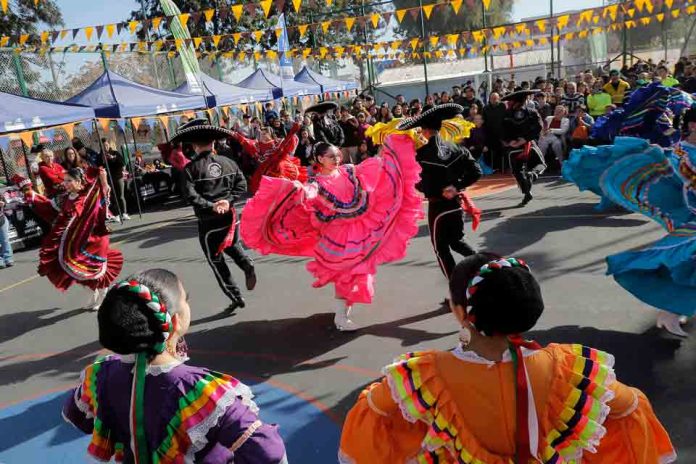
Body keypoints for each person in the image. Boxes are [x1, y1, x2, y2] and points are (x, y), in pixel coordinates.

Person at [339, 253, 676, 464]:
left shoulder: (424, 376)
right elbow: (630, 407)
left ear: (461, 313)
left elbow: (374, 415)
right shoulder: (570, 368)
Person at [63, 268, 288, 463]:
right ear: (174, 322)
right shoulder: (199, 390)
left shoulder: (100, 374)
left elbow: (77, 415)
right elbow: (268, 452)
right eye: (186, 299)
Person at [240, 135, 423, 331]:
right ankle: (341, 317)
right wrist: (299, 189)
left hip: (359, 228)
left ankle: (344, 311)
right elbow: (308, 192)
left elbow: (376, 166)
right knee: (346, 273)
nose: (336, 159)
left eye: (337, 155)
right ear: (319, 159)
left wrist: (391, 153)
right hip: (337, 235)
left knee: (358, 272)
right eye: (330, 156)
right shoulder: (316, 183)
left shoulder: (348, 171)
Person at [565, 107, 696, 336]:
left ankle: (672, 310)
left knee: (683, 263)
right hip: (687, 218)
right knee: (679, 261)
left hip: (687, 217)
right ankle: (671, 309)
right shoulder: (683, 154)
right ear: (693, 125)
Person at [177, 119, 257, 312]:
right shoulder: (228, 162)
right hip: (230, 217)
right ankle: (247, 263)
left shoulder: (190, 169)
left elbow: (191, 196)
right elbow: (242, 185)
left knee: (216, 260)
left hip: (209, 221)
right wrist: (227, 201)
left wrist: (212, 206)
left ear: (194, 145)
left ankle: (235, 296)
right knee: (231, 244)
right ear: (213, 142)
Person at [18, 168, 122, 309]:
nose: (65, 184)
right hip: (75, 242)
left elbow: (103, 196)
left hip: (93, 241)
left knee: (92, 271)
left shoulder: (88, 196)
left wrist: (103, 179)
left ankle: (102, 295)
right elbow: (50, 208)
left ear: (78, 181)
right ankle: (94, 294)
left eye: (69, 180)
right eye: (64, 180)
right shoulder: (65, 198)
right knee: (73, 270)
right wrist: (32, 194)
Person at [397, 104, 482, 279]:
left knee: (441, 248)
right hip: (456, 203)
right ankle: (483, 266)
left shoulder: (421, 155)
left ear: (425, 131)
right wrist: (456, 186)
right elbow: (476, 171)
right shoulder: (456, 147)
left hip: (438, 208)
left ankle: (455, 288)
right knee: (457, 241)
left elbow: (421, 185)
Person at [501, 90, 546, 207]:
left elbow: (501, 131)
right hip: (528, 145)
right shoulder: (531, 112)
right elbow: (539, 127)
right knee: (540, 165)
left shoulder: (506, 114)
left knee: (517, 172)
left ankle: (527, 193)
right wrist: (525, 139)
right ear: (525, 100)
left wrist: (510, 141)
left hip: (514, 147)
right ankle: (533, 176)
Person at [233, 122, 306, 193]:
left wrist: (293, 132)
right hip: (264, 170)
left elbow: (287, 144)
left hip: (278, 170)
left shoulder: (277, 143)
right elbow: (246, 141)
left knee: (281, 188)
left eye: (265, 134)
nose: (263, 135)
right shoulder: (257, 144)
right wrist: (234, 134)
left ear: (270, 134)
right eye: (261, 134)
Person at [102, 139, 130, 222]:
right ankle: (116, 214)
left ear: (109, 145)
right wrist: (104, 161)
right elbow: (100, 166)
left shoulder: (115, 153)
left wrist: (113, 158)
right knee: (113, 197)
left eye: (106, 145)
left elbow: (122, 163)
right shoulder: (101, 155)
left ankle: (124, 213)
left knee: (121, 196)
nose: (105, 147)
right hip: (108, 178)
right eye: (103, 146)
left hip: (118, 177)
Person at [482, 92, 507, 171]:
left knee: (501, 151)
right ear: (489, 99)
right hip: (490, 134)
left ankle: (502, 167)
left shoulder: (503, 106)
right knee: (490, 152)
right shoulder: (485, 108)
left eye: (496, 98)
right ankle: (492, 167)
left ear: (498, 98)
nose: (494, 100)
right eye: (492, 98)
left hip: (502, 133)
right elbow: (484, 122)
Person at [0, 197, 13, 269]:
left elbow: (5, 204)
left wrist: (3, 204)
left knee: (5, 241)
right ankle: (0, 261)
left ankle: (8, 259)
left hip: (1, 220)